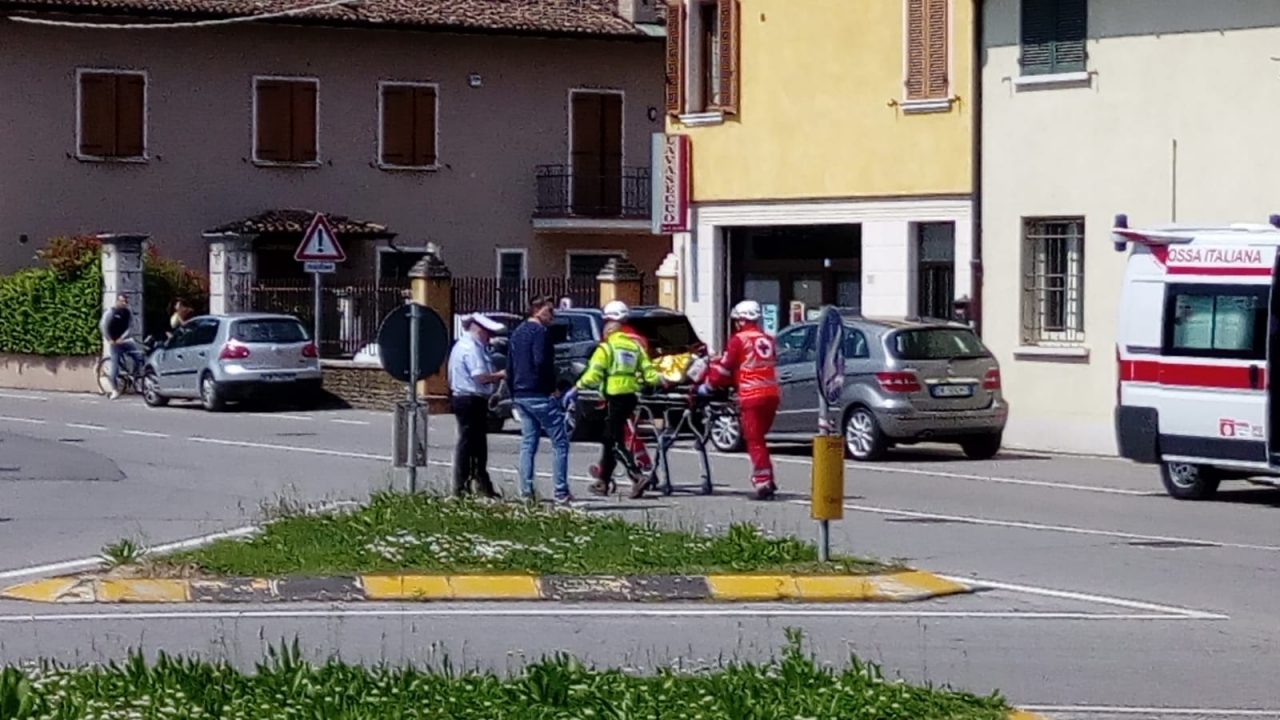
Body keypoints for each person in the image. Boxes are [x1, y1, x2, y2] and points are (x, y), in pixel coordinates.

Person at [576, 304, 661, 499]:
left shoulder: (608, 345)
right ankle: (603, 482)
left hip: (613, 396)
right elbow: (648, 371)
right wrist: (658, 382)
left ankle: (636, 475)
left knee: (615, 440)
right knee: (611, 439)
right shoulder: (636, 342)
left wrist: (578, 385)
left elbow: (595, 371)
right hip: (631, 395)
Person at [706, 300, 781, 500]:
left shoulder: (739, 340)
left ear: (741, 319)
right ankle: (768, 477)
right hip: (771, 394)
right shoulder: (767, 340)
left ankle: (763, 481)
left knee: (754, 440)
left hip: (751, 396)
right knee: (760, 439)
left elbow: (724, 369)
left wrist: (710, 385)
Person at [507, 296, 572, 504]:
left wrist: (512, 391)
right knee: (560, 441)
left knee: (528, 442)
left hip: (520, 393)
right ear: (536, 311)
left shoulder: (517, 332)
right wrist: (552, 388)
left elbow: (510, 364)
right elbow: (541, 361)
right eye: (549, 311)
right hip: (538, 393)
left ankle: (526, 490)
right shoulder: (540, 332)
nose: (553, 315)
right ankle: (560, 491)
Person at [447, 313, 506, 498]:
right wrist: (500, 375)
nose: (490, 337)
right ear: (478, 329)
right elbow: (479, 377)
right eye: (487, 332)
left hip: (468, 398)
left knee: (476, 444)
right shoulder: (471, 348)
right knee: (470, 444)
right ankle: (463, 486)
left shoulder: (466, 346)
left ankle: (479, 483)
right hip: (470, 399)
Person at [99, 294, 146, 400]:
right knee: (114, 369)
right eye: (122, 301)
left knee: (139, 357)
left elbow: (130, 326)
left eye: (125, 301)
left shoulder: (127, 312)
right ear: (117, 302)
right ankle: (115, 390)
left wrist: (123, 337)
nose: (124, 303)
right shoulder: (111, 312)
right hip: (114, 343)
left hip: (125, 340)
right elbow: (103, 326)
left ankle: (136, 378)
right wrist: (109, 339)